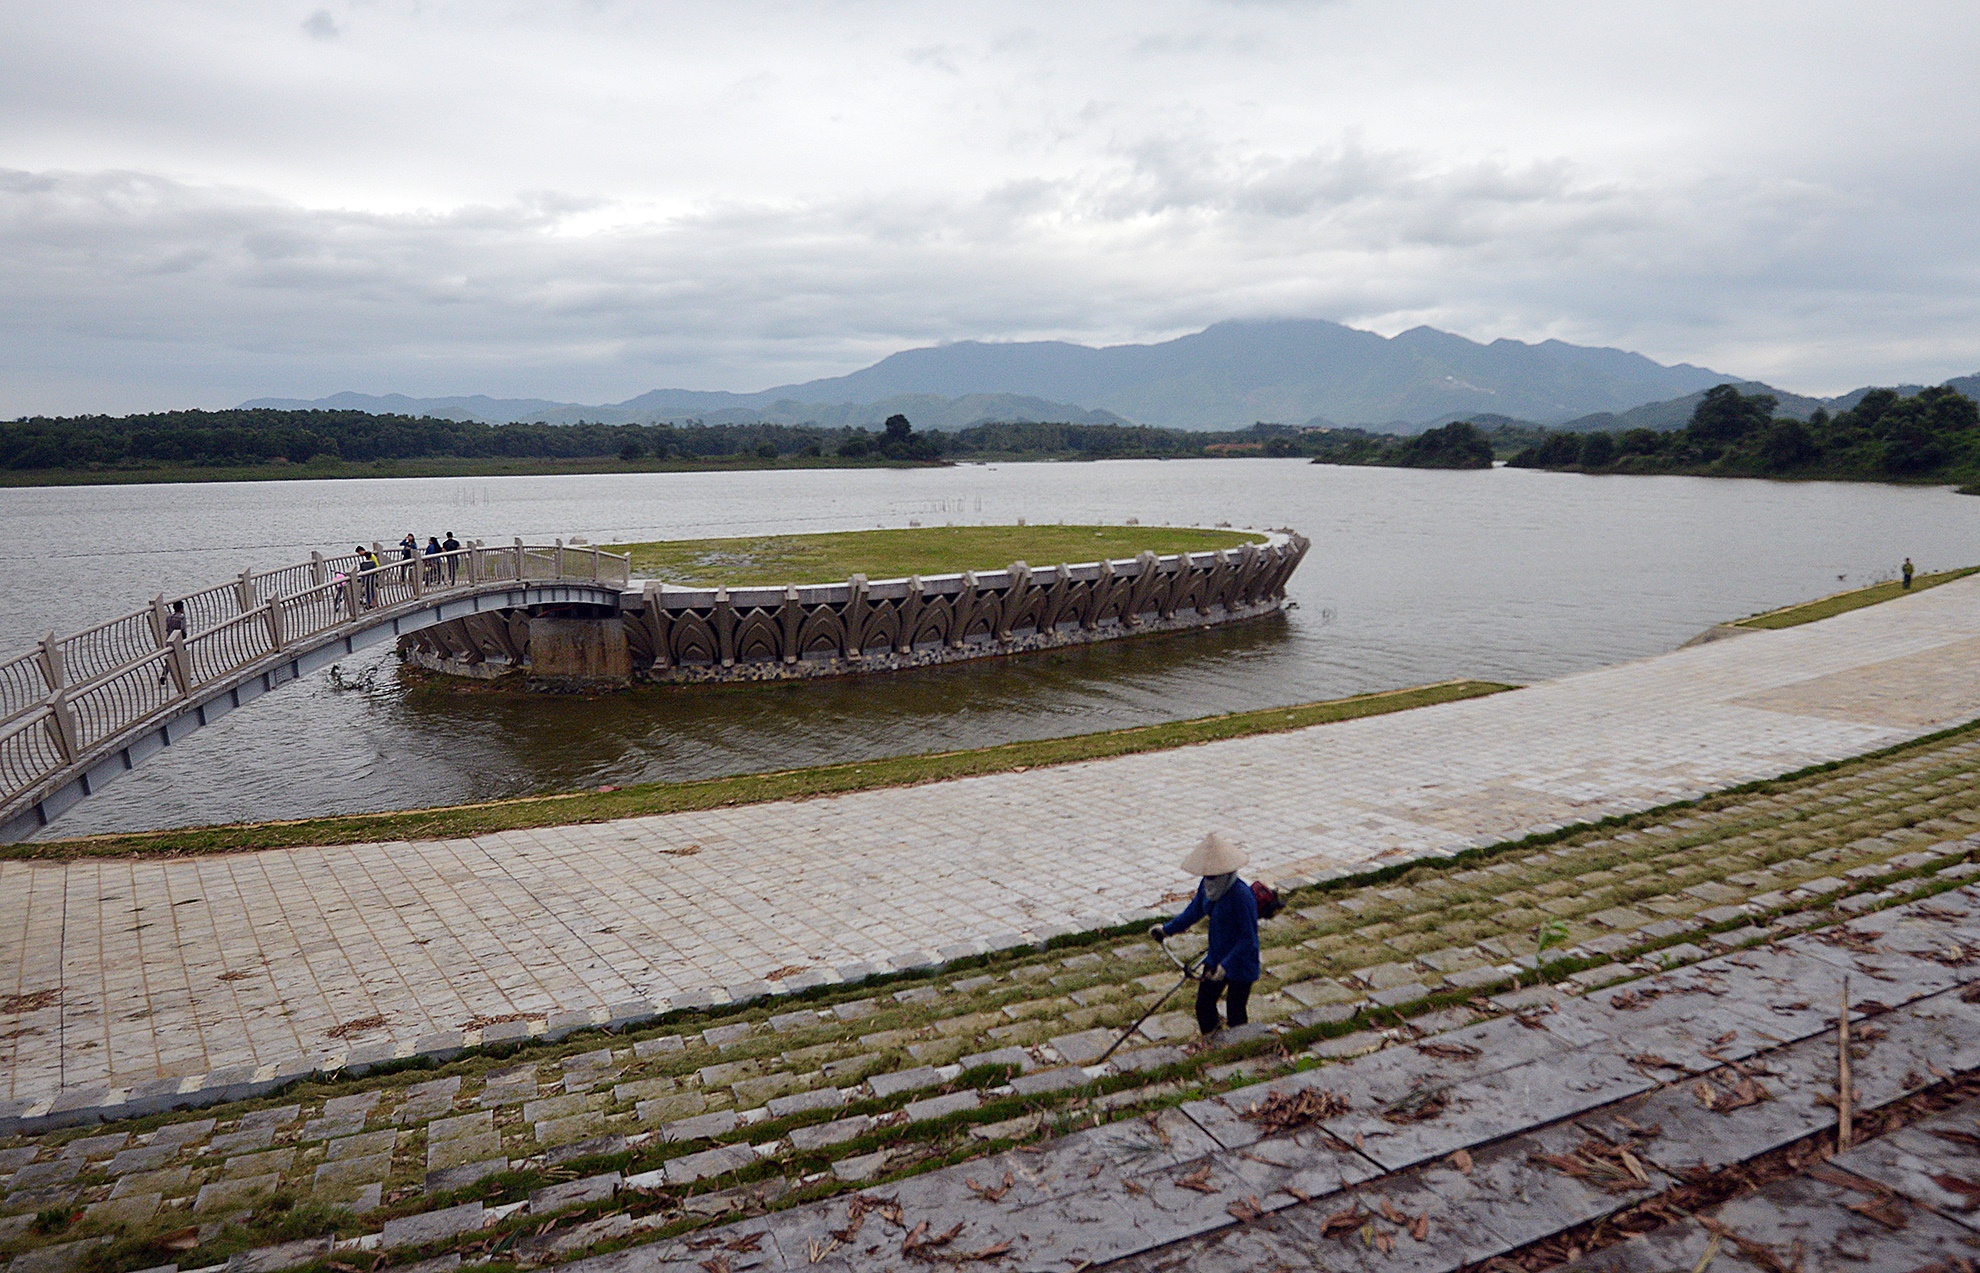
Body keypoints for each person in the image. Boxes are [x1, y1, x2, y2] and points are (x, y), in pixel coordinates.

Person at [1150, 832, 1260, 1037]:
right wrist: (1167, 930)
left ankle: (1240, 1048)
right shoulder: (1207, 887)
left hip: (1240, 962)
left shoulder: (1241, 896)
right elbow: (1194, 911)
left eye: (1213, 876)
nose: (1209, 880)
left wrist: (1226, 966)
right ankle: (1213, 1042)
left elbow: (1249, 939)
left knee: (1236, 1013)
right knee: (1204, 1006)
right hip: (1216, 956)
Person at [157, 601, 187, 685]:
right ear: (181, 609)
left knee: (170, 659)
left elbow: (167, 629)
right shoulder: (181, 617)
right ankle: (185, 676)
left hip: (169, 640)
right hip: (178, 641)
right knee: (183, 658)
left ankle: (164, 675)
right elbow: (183, 630)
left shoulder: (169, 617)